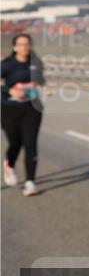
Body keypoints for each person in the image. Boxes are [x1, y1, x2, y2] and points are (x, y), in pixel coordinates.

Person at [1, 33, 46, 196]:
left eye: (27, 44)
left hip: (32, 108)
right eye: (20, 44)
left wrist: (45, 87)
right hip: (9, 108)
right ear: (14, 47)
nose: (24, 47)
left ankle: (30, 183)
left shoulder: (36, 62)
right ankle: (9, 164)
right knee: (15, 142)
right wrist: (9, 90)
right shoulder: (7, 64)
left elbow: (40, 79)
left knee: (30, 143)